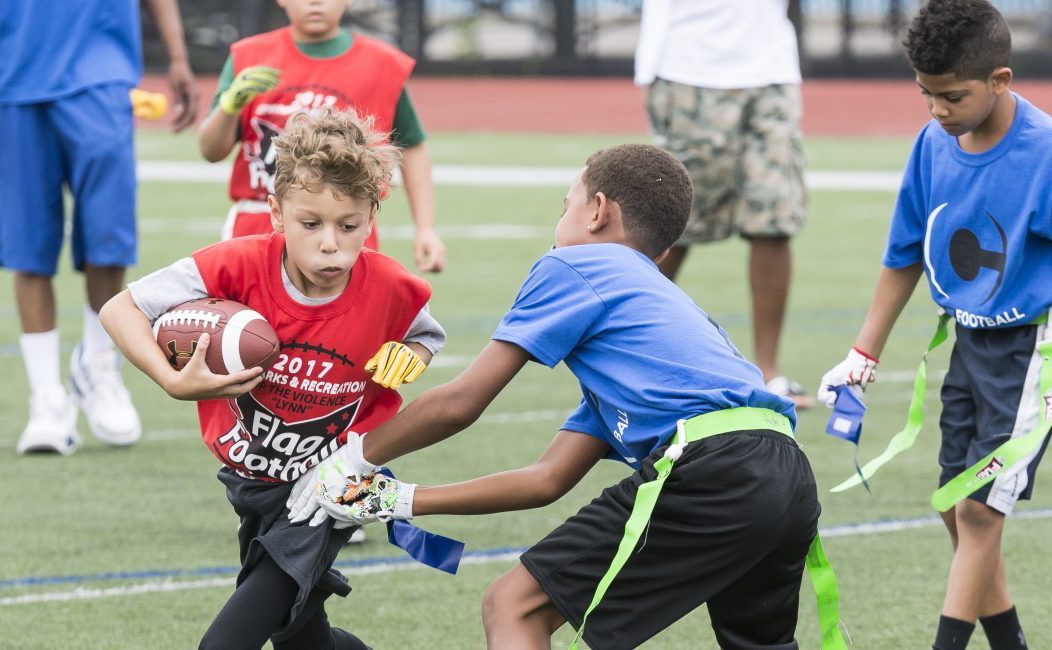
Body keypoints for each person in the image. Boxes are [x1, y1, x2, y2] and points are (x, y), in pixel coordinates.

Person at [288, 144, 845, 649]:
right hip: (786, 472)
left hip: (712, 466)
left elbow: (463, 401)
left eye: (566, 205)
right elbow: (545, 481)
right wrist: (394, 499)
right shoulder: (649, 348)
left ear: (597, 210)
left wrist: (352, 457)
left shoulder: (573, 264)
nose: (561, 220)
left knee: (513, 605)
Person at [815, 1, 1052, 648]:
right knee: (953, 503)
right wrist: (863, 353)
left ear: (1001, 80)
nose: (937, 111)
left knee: (980, 511)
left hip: (1042, 345)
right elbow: (904, 252)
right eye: (925, 95)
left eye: (952, 96)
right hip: (970, 341)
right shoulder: (933, 142)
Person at [99, 107, 446, 648]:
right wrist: (171, 380)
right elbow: (120, 308)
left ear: (372, 216)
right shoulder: (234, 265)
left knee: (225, 643)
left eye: (349, 225)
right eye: (311, 223)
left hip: (335, 483)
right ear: (276, 214)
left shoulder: (389, 285)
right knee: (302, 642)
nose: (331, 243)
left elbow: (426, 334)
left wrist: (412, 357)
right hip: (253, 483)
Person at [0, 0, 198, 455]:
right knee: (28, 248)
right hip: (11, 79)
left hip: (100, 71)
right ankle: (46, 398)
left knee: (108, 235)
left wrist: (178, 57)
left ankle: (99, 365)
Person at [633, 0, 812, 409]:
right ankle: (627, 349)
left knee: (774, 216)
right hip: (688, 69)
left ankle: (768, 372)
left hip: (771, 71)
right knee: (672, 222)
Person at [197, 0, 446, 273]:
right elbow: (211, 151)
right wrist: (228, 107)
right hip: (258, 224)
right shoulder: (249, 57)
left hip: (345, 226)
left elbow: (411, 146)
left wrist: (425, 229)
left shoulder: (382, 65)